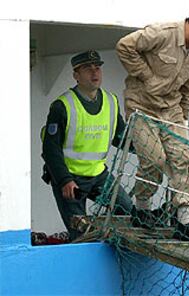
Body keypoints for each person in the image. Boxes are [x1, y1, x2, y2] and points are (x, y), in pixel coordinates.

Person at [116, 1, 189, 243]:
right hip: (142, 106)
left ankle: (184, 222)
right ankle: (142, 209)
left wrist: (184, 118)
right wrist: (146, 76)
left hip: (172, 111)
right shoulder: (162, 33)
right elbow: (124, 46)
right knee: (154, 159)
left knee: (184, 160)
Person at [42, 50, 134, 241]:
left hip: (99, 175)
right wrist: (65, 180)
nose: (95, 73)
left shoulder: (111, 100)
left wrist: (144, 146)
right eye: (87, 69)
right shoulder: (62, 106)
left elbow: (119, 137)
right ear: (76, 75)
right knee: (80, 233)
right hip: (70, 178)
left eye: (98, 68)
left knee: (126, 209)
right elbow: (51, 150)